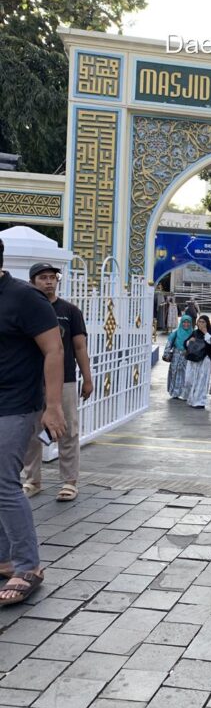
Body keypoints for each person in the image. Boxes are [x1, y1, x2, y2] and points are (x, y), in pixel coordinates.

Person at [0, 240, 66, 606]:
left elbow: (54, 349)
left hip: (16, 403)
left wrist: (53, 406)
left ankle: (28, 566)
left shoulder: (24, 298)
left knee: (3, 482)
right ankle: (5, 557)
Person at [22, 263, 94, 502]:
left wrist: (87, 378)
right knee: (32, 431)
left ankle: (69, 481)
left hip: (65, 380)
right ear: (33, 281)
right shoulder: (26, 309)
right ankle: (33, 479)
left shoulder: (69, 311)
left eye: (52, 277)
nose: (49, 282)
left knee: (68, 429)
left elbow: (80, 346)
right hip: (31, 380)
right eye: (43, 278)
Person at [182, 315, 211, 408]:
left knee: (201, 381)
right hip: (193, 360)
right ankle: (192, 399)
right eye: (199, 321)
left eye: (203, 322)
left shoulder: (210, 334)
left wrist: (206, 334)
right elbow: (185, 344)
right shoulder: (194, 333)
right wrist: (189, 341)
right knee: (189, 380)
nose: (201, 324)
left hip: (204, 360)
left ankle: (200, 402)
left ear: (207, 323)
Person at [166, 315, 193, 399]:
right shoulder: (176, 332)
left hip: (187, 357)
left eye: (188, 322)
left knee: (186, 375)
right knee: (175, 374)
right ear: (181, 323)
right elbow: (169, 343)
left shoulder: (193, 333)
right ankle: (175, 392)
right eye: (184, 322)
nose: (186, 324)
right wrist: (166, 354)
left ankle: (185, 394)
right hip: (176, 356)